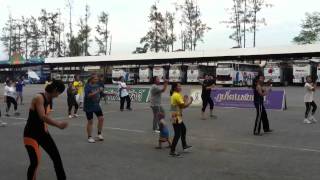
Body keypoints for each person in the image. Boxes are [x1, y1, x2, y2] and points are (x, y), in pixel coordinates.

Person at [23, 79, 68, 180]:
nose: (58, 95)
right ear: (55, 89)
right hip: (31, 134)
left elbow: (44, 120)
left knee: (57, 159)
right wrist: (58, 124)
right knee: (35, 162)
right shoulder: (39, 97)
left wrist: (46, 131)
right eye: (59, 92)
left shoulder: (50, 99)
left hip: (43, 134)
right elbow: (42, 117)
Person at [169, 83, 193, 157]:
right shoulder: (176, 95)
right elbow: (183, 106)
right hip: (176, 117)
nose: (180, 87)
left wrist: (184, 99)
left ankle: (184, 145)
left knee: (183, 130)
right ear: (175, 88)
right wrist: (190, 101)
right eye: (179, 86)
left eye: (180, 86)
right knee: (177, 134)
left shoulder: (176, 94)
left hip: (177, 116)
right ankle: (172, 151)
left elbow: (180, 104)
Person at [84, 74, 105, 143]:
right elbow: (88, 95)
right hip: (89, 106)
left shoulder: (97, 85)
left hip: (96, 105)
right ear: (91, 79)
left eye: (97, 79)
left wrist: (111, 94)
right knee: (90, 121)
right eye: (95, 79)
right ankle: (89, 137)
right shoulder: (87, 86)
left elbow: (101, 93)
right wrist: (98, 91)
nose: (97, 80)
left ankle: (99, 134)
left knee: (101, 118)